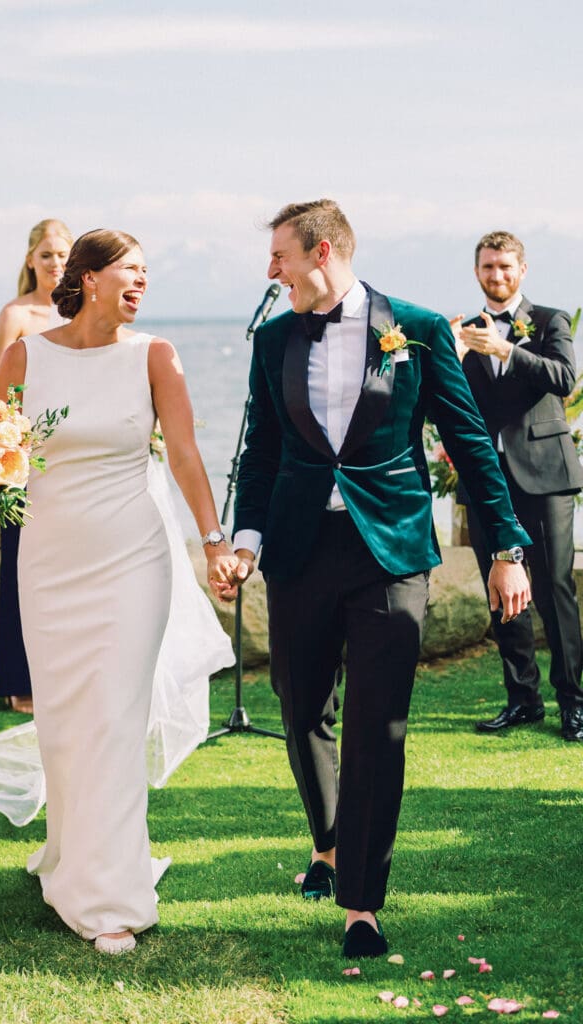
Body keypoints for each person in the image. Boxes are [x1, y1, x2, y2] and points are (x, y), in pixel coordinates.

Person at [227, 199, 532, 958]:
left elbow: (470, 445)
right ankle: (328, 840)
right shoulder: (271, 341)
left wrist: (506, 549)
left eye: (280, 258)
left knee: (379, 725)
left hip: (390, 553)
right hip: (299, 550)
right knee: (300, 710)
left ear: (321, 251)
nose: (271, 272)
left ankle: (360, 900)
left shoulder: (421, 331)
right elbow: (262, 450)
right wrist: (245, 540)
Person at [0, 228, 238, 954]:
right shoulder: (24, 355)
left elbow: (187, 453)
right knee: (67, 719)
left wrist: (214, 540)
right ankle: (69, 856)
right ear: (89, 278)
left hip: (134, 558)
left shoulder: (154, 355)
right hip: (49, 560)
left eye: (146, 274)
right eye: (129, 273)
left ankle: (110, 896)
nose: (141, 285)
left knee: (115, 716)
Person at [453, 231, 583, 741]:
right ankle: (523, 700)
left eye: (505, 267)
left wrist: (506, 348)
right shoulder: (463, 330)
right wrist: (454, 352)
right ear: (477, 271)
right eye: (488, 267)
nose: (497, 276)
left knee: (554, 588)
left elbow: (564, 377)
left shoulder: (551, 320)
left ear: (522, 270)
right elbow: (451, 400)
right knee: (501, 590)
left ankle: (573, 702)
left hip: (546, 476)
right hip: (489, 481)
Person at [0, 219, 73, 714]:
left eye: (63, 254)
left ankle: (64, 676)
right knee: (21, 567)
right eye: (46, 255)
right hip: (22, 459)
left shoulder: (83, 313)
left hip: (74, 458)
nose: (55, 263)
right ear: (30, 260)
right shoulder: (15, 314)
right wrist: (6, 443)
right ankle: (19, 681)